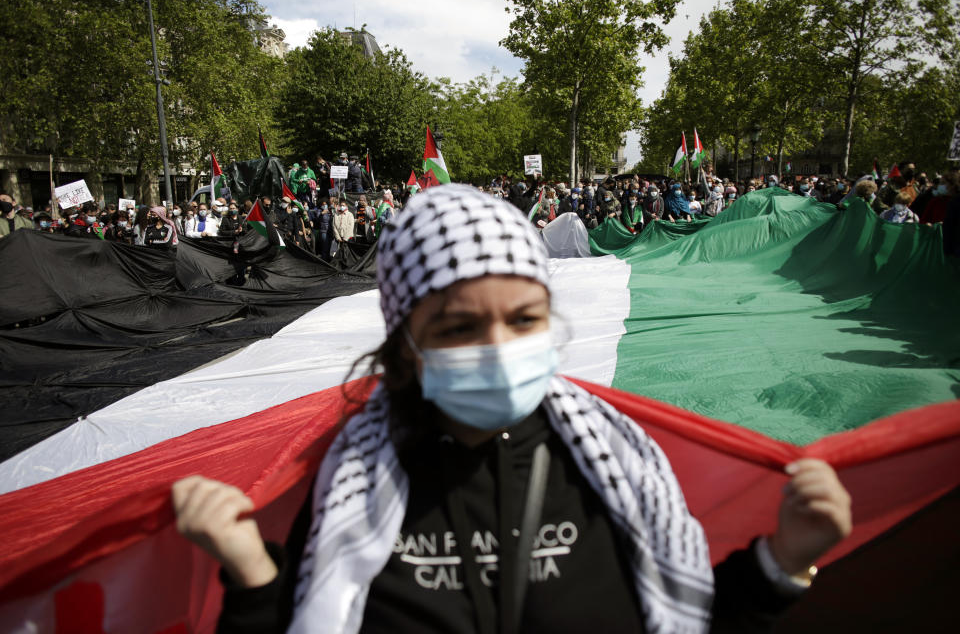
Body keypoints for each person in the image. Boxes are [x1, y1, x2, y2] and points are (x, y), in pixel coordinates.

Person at [173, 184, 852, 634]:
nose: (498, 349)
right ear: (407, 346)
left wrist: (784, 562)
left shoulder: (615, 464)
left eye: (524, 319)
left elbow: (692, 615)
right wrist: (254, 578)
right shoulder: (352, 481)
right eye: (459, 328)